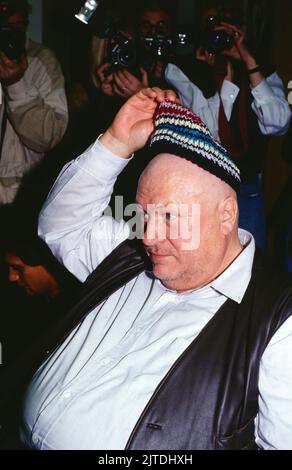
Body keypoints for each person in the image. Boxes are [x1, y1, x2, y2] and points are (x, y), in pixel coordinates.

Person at [19, 88, 292, 450]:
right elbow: (62, 226)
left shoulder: (278, 320)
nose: (147, 236)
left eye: (168, 216)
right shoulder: (132, 258)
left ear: (226, 214)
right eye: (143, 215)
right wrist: (115, 143)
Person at [164, 2, 291, 250]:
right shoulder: (184, 70)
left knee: (252, 264)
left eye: (227, 24)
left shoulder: (259, 69)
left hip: (247, 187)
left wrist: (249, 61)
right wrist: (211, 75)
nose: (219, 32)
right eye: (212, 24)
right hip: (203, 184)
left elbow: (278, 124)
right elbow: (209, 132)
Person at [0, 0, 68, 205]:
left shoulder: (41, 60)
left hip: (17, 197)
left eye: (17, 24)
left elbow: (49, 136)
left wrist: (16, 84)